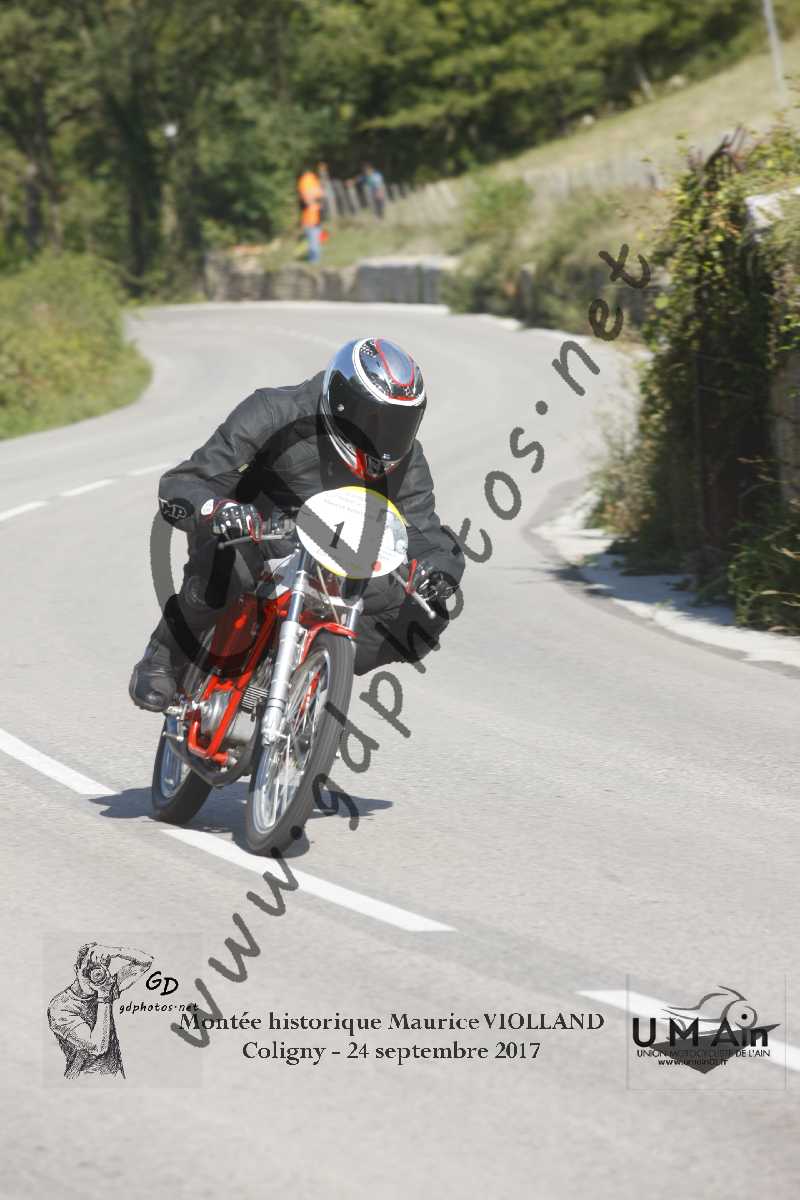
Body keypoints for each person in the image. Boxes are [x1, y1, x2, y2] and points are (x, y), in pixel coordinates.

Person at [129, 338, 465, 712]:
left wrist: (438, 570)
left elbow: (422, 530)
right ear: (341, 402)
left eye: (398, 424)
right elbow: (185, 481)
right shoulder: (275, 410)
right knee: (225, 565)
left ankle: (320, 671)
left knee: (425, 613)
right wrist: (218, 509)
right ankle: (165, 653)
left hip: (338, 559)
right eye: (374, 420)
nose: (384, 437)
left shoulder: (407, 459)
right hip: (256, 535)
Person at [47, 943, 153, 1079]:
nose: (93, 976)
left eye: (99, 968)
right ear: (76, 969)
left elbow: (146, 961)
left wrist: (115, 951)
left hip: (115, 1077)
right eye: (88, 969)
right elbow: (98, 1047)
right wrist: (104, 996)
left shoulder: (105, 986)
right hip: (81, 1081)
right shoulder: (60, 1006)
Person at [296, 166, 323, 263]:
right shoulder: (313, 179)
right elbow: (321, 194)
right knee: (315, 237)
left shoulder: (304, 181)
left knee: (312, 238)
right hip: (316, 213)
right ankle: (315, 259)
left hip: (309, 216)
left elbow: (304, 199)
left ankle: (314, 260)